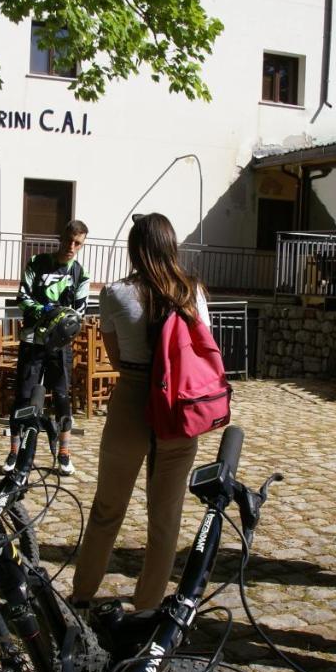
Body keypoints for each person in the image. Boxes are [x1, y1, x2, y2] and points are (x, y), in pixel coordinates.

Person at [70, 213, 208, 611]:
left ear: (134, 249)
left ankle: (82, 595)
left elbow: (114, 356)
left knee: (107, 508)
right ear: (172, 244)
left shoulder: (114, 293)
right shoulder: (193, 292)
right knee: (165, 518)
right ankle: (147, 605)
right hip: (179, 407)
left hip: (132, 397)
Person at [4, 219, 90, 476]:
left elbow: (79, 312)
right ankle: (14, 452)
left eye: (78, 243)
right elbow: (22, 297)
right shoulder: (36, 263)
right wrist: (46, 310)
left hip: (61, 345)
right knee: (22, 397)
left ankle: (64, 452)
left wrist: (57, 317)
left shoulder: (81, 275)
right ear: (61, 238)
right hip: (32, 340)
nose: (71, 247)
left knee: (63, 398)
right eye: (69, 241)